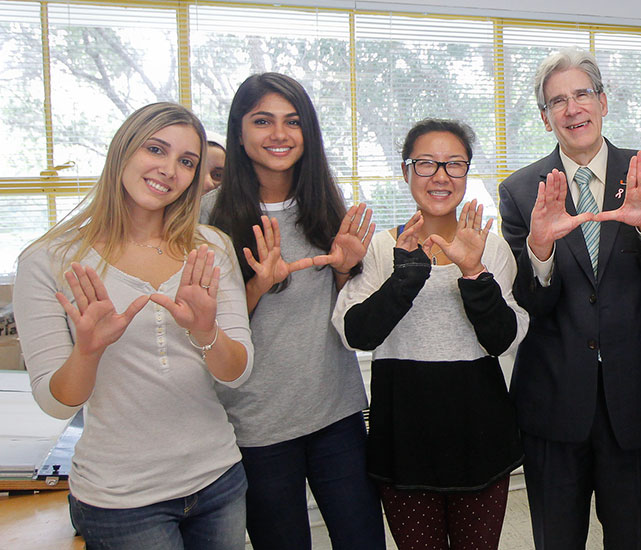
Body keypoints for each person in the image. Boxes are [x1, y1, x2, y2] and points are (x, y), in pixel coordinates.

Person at [14, 102, 253, 549]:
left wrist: (206, 333)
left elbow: (237, 372)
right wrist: (88, 350)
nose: (169, 170)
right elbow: (57, 403)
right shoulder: (48, 261)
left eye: (187, 162)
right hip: (121, 499)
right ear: (123, 150)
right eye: (155, 149)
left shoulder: (211, 247)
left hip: (218, 479)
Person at [496, 47, 641, 549]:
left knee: (634, 539)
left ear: (603, 102)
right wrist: (539, 248)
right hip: (554, 399)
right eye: (557, 102)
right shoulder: (523, 191)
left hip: (640, 393)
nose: (572, 109)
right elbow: (533, 305)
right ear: (545, 119)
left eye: (582, 94)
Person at [203, 72, 384, 550]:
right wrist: (258, 286)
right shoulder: (207, 217)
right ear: (238, 131)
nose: (279, 135)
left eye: (293, 121)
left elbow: (345, 312)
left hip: (337, 412)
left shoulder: (324, 205)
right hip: (257, 425)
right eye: (263, 121)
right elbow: (204, 330)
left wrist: (345, 270)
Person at [332, 118, 528, 550]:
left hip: (481, 439)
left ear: (466, 173)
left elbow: (505, 338)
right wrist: (407, 275)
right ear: (405, 172)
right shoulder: (383, 249)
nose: (441, 176)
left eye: (454, 164)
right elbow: (355, 335)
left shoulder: (489, 247)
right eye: (426, 164)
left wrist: (473, 271)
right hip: (404, 443)